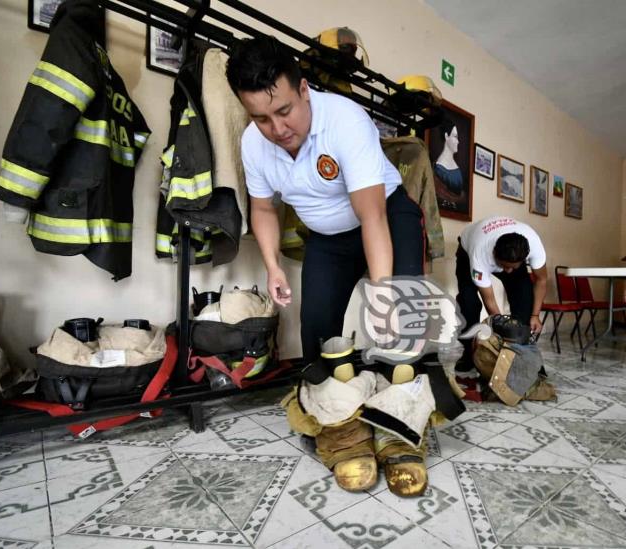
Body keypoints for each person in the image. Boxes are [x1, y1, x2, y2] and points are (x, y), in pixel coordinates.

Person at [226, 36, 425, 363]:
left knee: (400, 322)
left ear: (304, 90)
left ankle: (404, 394)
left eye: (284, 110)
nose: (277, 129)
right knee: (317, 339)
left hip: (385, 215)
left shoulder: (346, 120)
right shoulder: (252, 144)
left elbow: (372, 217)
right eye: (261, 118)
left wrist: (383, 296)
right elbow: (263, 208)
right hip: (328, 238)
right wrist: (273, 266)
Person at [456, 216, 548, 363]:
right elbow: (490, 301)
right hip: (466, 251)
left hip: (510, 251)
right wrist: (501, 334)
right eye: (504, 266)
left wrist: (535, 315)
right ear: (494, 254)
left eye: (513, 267)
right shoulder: (480, 254)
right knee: (468, 303)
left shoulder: (533, 244)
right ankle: (469, 353)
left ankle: (519, 352)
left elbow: (542, 280)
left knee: (524, 297)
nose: (508, 271)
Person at [433, 117, 463, 195]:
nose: (458, 141)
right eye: (455, 137)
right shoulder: (439, 169)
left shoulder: (456, 167)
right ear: (446, 136)